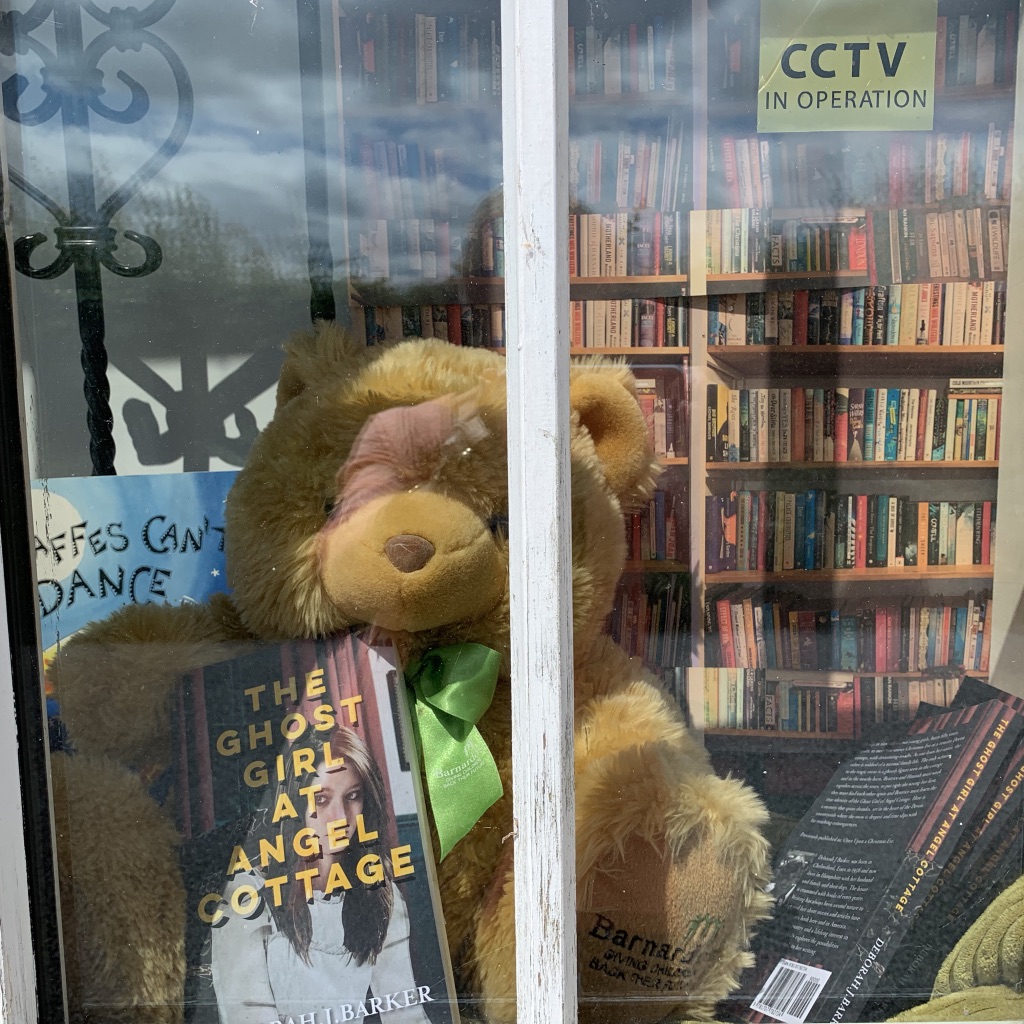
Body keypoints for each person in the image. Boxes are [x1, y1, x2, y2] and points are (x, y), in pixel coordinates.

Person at [208, 726, 433, 1024]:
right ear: (296, 802)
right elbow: (247, 1016)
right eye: (322, 799)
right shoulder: (247, 895)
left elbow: (406, 1014)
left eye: (352, 796)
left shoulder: (379, 892)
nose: (340, 818)